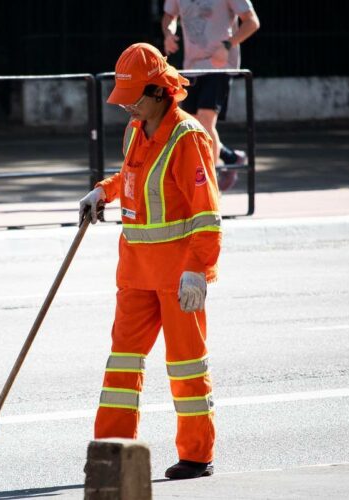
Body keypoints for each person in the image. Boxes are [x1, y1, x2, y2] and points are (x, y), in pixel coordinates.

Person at [78, 42, 221, 480]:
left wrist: (198, 269)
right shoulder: (137, 130)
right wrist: (104, 190)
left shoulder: (188, 137)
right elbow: (133, 177)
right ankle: (112, 450)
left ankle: (197, 455)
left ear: (160, 91)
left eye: (134, 99)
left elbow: (206, 212)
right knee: (122, 361)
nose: (127, 109)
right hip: (136, 272)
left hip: (178, 278)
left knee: (185, 364)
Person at [162, 0, 260, 191]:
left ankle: (208, 187)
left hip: (219, 66)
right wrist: (168, 33)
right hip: (191, 67)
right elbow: (169, 16)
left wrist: (228, 45)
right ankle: (230, 156)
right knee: (192, 126)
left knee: (206, 122)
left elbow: (252, 22)